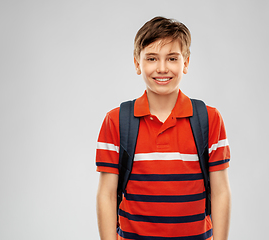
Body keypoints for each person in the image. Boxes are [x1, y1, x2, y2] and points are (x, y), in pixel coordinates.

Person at [96, 16, 231, 240]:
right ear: (137, 63)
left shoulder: (209, 119)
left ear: (185, 62)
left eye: (171, 58)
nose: (162, 68)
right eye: (151, 58)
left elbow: (221, 192)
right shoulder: (116, 121)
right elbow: (106, 194)